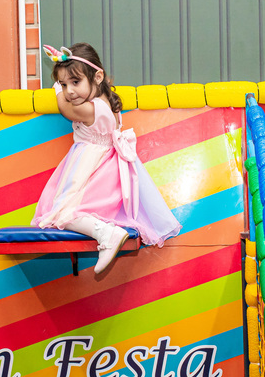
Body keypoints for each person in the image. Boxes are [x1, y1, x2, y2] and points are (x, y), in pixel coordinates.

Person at [32, 43, 181, 277]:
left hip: (91, 166)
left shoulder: (90, 109)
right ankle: (105, 232)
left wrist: (56, 90)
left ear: (97, 76)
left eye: (75, 82)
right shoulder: (105, 102)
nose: (70, 91)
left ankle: (106, 234)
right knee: (63, 211)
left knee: (63, 212)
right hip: (101, 164)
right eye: (64, 84)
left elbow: (65, 109)